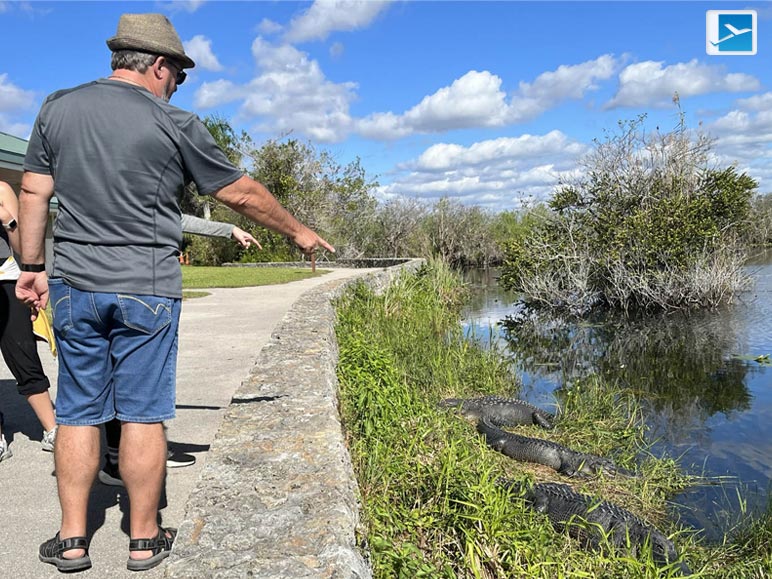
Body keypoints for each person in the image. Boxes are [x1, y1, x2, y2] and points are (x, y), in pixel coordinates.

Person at [17, 13, 333, 573]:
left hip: (73, 283)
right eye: (178, 77)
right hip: (147, 286)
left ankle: (71, 541)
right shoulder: (174, 123)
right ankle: (144, 539)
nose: (177, 87)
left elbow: (35, 191)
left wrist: (33, 265)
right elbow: (241, 193)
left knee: (78, 412)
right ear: (158, 65)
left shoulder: (56, 108)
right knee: (141, 415)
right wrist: (299, 231)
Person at [99, 214, 261, 485]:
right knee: (139, 380)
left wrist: (228, 229)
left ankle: (120, 458)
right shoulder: (133, 188)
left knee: (108, 382)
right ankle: (126, 461)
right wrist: (228, 229)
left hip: (91, 285)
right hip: (134, 286)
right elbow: (172, 216)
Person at [0, 180, 58, 464]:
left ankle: (52, 430)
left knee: (24, 356)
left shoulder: (1, 190)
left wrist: (8, 220)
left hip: (6, 282)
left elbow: (24, 248)